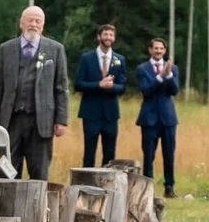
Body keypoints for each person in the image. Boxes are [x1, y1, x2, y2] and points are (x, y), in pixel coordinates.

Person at [0, 5, 69, 183]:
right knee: (5, 170)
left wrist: (61, 120)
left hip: (41, 123)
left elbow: (61, 87)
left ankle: (36, 210)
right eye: (30, 20)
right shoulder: (5, 49)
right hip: (11, 121)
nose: (33, 24)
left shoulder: (55, 49)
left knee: (39, 174)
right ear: (21, 23)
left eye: (37, 21)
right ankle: (6, 209)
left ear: (43, 25)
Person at [76, 23, 127, 167]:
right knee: (89, 153)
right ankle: (86, 185)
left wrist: (111, 87)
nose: (108, 37)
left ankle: (108, 186)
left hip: (110, 114)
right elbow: (78, 84)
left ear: (114, 38)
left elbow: (123, 86)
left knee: (110, 154)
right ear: (99, 37)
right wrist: (98, 85)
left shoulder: (119, 59)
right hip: (91, 112)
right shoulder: (87, 58)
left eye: (111, 35)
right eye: (105, 34)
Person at [136, 37, 181, 194]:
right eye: (156, 48)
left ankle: (169, 186)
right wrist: (160, 77)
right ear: (150, 50)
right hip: (149, 118)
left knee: (169, 153)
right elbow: (146, 91)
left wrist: (168, 76)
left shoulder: (173, 69)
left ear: (165, 51)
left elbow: (175, 91)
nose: (159, 51)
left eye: (161, 49)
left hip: (168, 118)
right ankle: (147, 187)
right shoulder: (142, 69)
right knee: (148, 154)